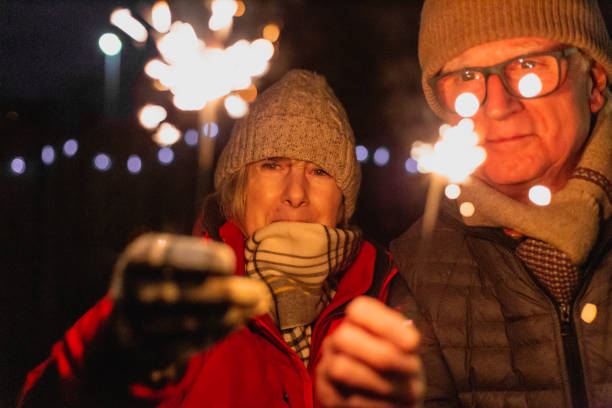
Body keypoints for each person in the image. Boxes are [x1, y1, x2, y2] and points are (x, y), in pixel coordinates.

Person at [18, 69, 422, 407]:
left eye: (319, 172)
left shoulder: (394, 299)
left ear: (344, 199)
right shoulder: (179, 299)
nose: (296, 193)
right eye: (272, 164)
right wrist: (110, 350)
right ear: (238, 189)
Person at [317, 0, 612, 407]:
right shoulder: (417, 269)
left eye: (528, 64)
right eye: (468, 76)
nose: (497, 106)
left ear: (594, 82)